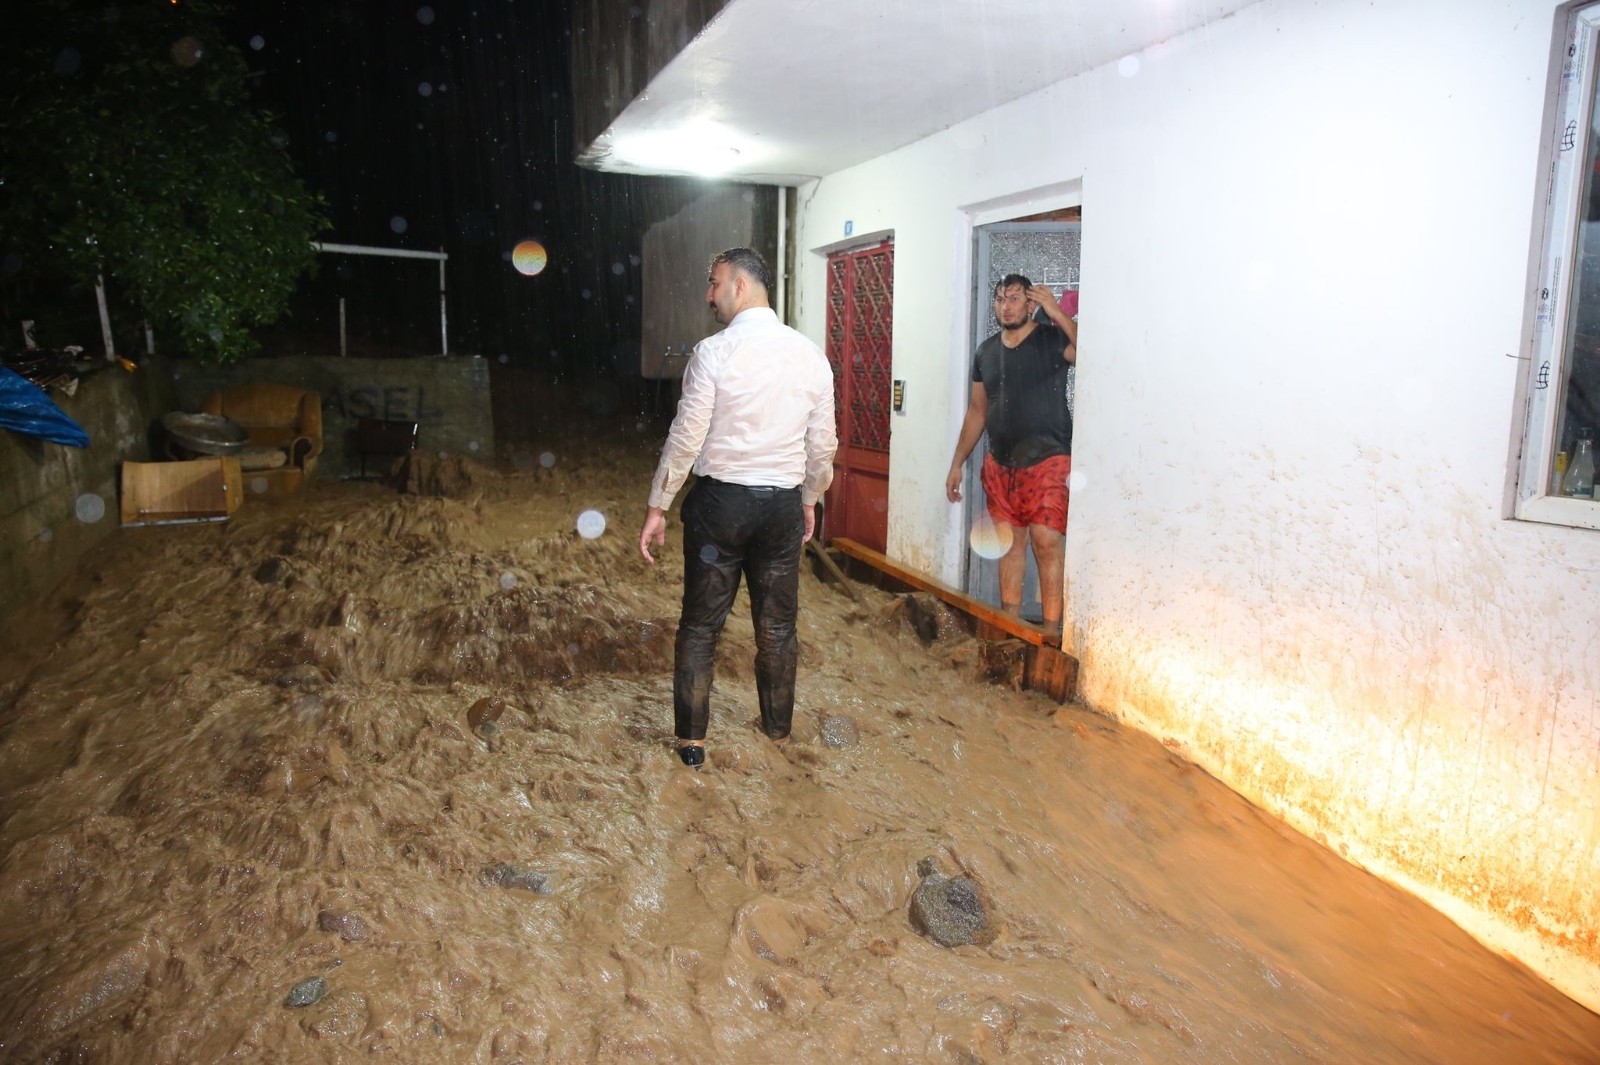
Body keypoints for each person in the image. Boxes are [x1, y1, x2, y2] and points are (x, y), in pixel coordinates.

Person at [638, 248, 838, 768]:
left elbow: (686, 437)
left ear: (741, 286)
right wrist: (810, 499)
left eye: (714, 283)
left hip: (720, 506)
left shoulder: (714, 353)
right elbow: (824, 443)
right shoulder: (810, 355)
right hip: (781, 508)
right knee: (777, 629)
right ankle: (777, 737)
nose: (709, 295)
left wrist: (658, 504)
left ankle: (691, 746)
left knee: (701, 626)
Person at [944, 273, 1078, 638]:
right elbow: (976, 411)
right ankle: (1010, 629)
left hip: (1049, 460)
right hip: (1001, 464)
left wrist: (1057, 311)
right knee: (1009, 544)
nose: (1006, 305)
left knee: (1046, 541)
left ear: (1031, 304)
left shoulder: (1051, 339)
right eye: (1000, 298)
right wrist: (957, 463)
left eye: (1015, 298)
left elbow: (1086, 351)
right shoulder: (986, 352)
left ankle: (1050, 634)